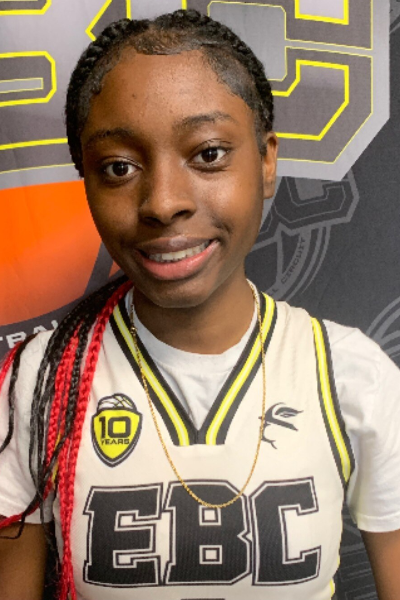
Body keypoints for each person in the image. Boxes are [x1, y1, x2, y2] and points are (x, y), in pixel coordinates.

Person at [0, 9, 400, 600]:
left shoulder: (350, 374)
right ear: (86, 182)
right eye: (118, 167)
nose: (163, 202)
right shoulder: (40, 382)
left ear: (266, 161)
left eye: (208, 154)